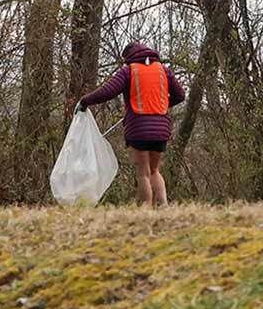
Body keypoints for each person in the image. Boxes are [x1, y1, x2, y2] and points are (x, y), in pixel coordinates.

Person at [76, 42, 185, 207]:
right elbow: (180, 95)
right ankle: (164, 206)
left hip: (138, 128)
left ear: (128, 56)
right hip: (161, 129)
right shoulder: (163, 70)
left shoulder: (129, 70)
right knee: (155, 171)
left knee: (143, 173)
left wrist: (85, 101)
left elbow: (108, 91)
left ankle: (145, 208)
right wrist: (158, 105)